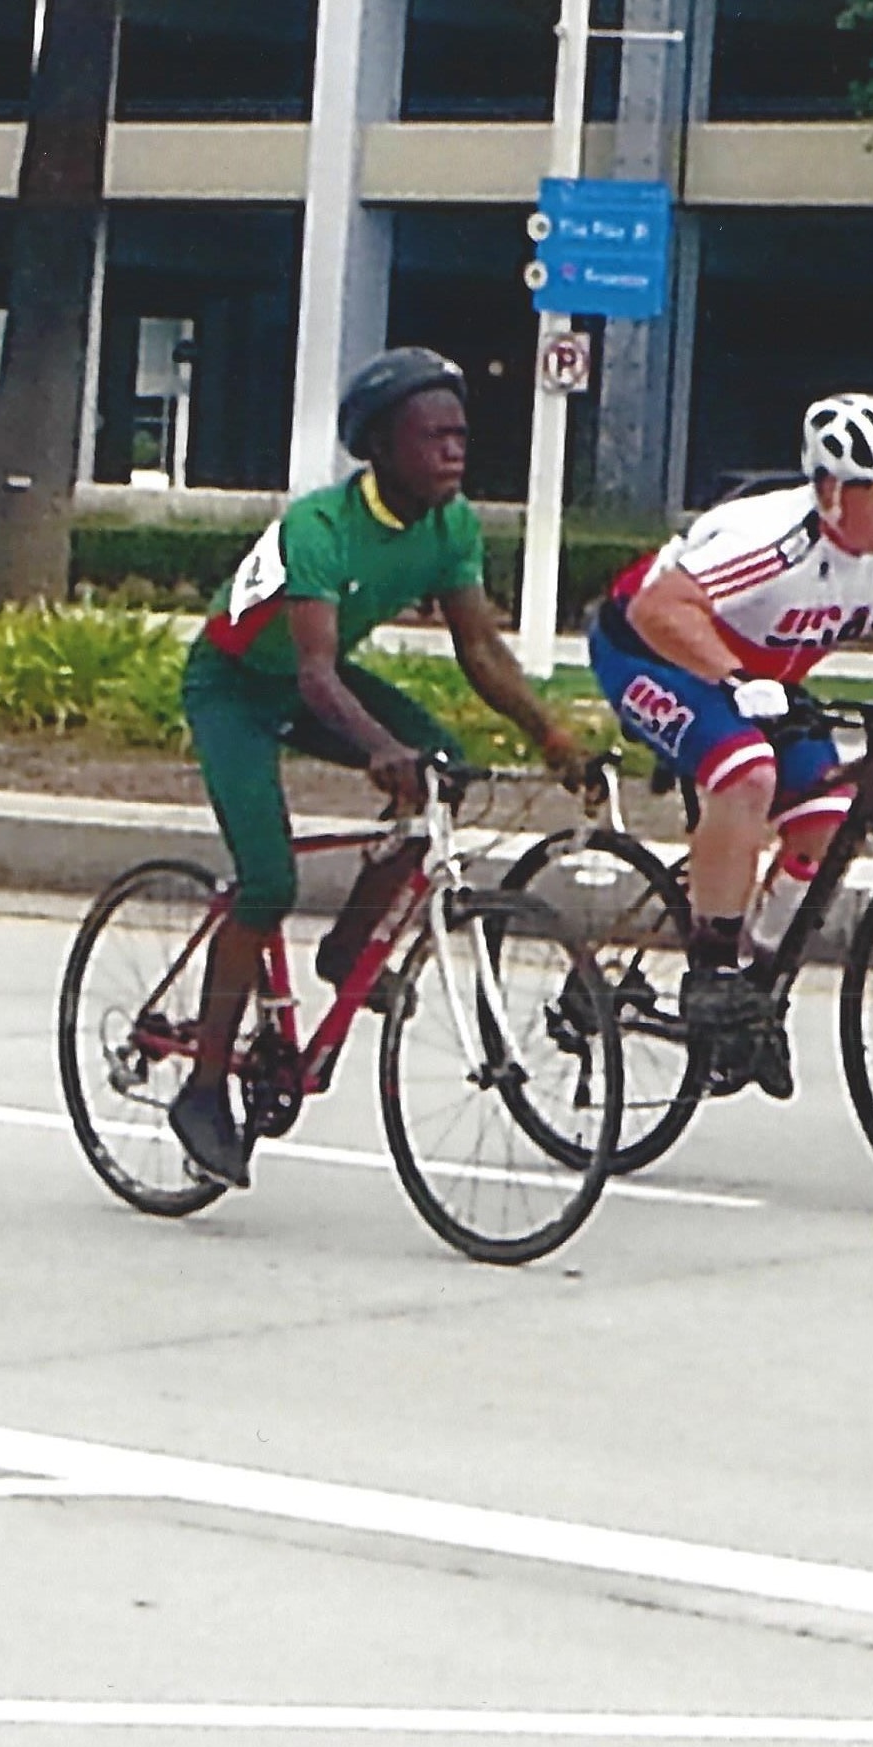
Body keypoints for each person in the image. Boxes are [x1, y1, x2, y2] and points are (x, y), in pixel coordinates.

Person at [171, 347, 585, 1189]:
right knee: (267, 883)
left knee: (445, 776)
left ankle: (348, 951)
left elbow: (480, 651)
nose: (454, 451)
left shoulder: (451, 525)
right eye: (433, 437)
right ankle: (204, 1091)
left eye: (460, 435)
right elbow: (316, 673)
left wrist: (553, 736)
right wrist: (379, 749)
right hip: (235, 688)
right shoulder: (318, 529)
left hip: (311, 684)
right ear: (381, 448)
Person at [590, 392, 873, 1096]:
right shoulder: (770, 540)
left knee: (826, 817)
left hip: (763, 680)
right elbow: (659, 607)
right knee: (746, 772)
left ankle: (756, 985)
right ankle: (712, 972)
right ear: (830, 489)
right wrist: (734, 679)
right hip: (653, 651)